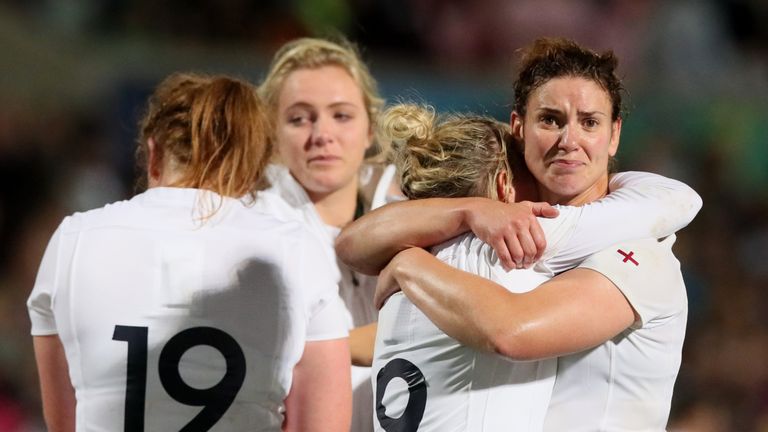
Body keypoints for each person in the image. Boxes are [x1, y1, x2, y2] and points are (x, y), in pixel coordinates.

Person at [336, 37, 702, 430]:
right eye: (550, 119)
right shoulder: (494, 244)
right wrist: (469, 211)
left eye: (589, 122)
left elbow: (510, 332)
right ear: (519, 128)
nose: (569, 141)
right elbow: (358, 249)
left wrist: (409, 265)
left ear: (614, 136)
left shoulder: (640, 254)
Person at [27, 72, 351, 431]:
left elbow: (64, 421)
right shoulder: (297, 249)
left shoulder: (73, 240)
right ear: (251, 166)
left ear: (153, 154)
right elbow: (322, 425)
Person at [257, 37, 401, 432]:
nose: (322, 134)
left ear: (371, 129)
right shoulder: (251, 222)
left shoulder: (411, 208)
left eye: (341, 115)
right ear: (272, 132)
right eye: (300, 118)